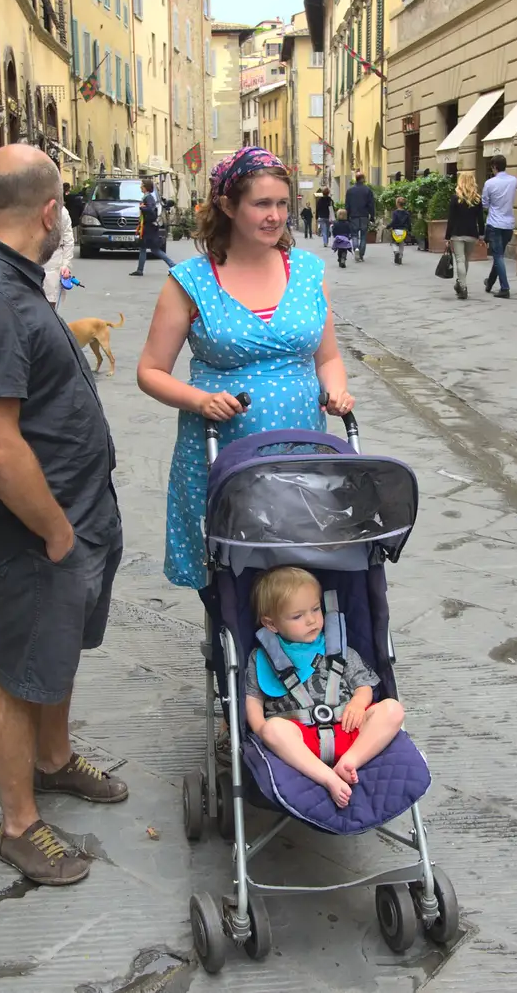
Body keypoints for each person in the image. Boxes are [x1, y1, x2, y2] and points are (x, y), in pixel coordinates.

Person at [0, 145, 127, 886]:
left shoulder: (9, 279)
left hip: (75, 510)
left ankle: (53, 758)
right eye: (65, 207)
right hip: (37, 530)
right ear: (49, 211)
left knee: (57, 656)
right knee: (23, 674)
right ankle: (18, 822)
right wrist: (53, 528)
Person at [135, 145, 355, 596]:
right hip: (221, 449)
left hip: (300, 449)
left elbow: (328, 357)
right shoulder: (191, 281)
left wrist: (336, 390)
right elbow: (150, 370)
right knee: (229, 574)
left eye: (281, 204)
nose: (275, 216)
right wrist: (200, 400)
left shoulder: (309, 272)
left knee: (300, 572)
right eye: (261, 204)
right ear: (228, 205)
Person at [246, 567, 406, 808]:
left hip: (349, 729)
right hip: (301, 739)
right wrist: (262, 733)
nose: (311, 620)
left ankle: (350, 762)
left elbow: (364, 685)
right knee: (273, 729)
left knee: (393, 709)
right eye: (297, 616)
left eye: (316, 609)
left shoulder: (339, 648)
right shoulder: (263, 658)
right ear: (271, 624)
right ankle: (327, 777)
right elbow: (253, 700)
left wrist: (357, 703)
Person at [481, 155, 517, 298]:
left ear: (494, 167)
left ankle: (505, 288)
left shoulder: (489, 183)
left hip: (495, 223)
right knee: (499, 256)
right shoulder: (514, 181)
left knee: (498, 256)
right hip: (508, 224)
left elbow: (484, 203)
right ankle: (489, 282)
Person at [445, 172, 485, 300]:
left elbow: (451, 219)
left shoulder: (455, 198)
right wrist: (482, 235)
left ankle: (463, 286)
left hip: (457, 234)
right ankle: (460, 283)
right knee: (465, 260)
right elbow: (480, 219)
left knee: (460, 260)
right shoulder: (477, 199)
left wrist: (447, 237)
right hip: (472, 234)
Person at [131, 178, 177, 277]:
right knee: (144, 247)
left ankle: (173, 266)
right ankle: (140, 270)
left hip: (149, 228)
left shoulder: (149, 198)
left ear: (145, 187)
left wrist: (142, 207)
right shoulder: (147, 197)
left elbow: (151, 209)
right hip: (147, 227)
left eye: (142, 185)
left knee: (154, 249)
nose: (140, 187)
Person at [44, 201, 76, 309]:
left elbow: (68, 240)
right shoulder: (30, 209)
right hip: (35, 262)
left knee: (51, 303)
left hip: (55, 263)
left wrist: (66, 264)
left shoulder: (62, 212)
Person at [344, 173, 375, 262]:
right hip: (364, 215)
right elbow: (371, 204)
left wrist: (347, 215)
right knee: (363, 236)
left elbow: (347, 205)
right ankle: (361, 255)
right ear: (363, 179)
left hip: (353, 216)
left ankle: (356, 249)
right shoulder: (367, 190)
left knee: (354, 235)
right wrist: (372, 215)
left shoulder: (350, 191)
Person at [388, 197, 411, 265]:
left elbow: (394, 221)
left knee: (394, 242)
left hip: (395, 230)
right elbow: (409, 223)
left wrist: (388, 226)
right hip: (403, 231)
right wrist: (409, 229)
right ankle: (400, 257)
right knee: (401, 243)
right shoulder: (407, 213)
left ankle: (396, 252)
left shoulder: (395, 213)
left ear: (397, 204)